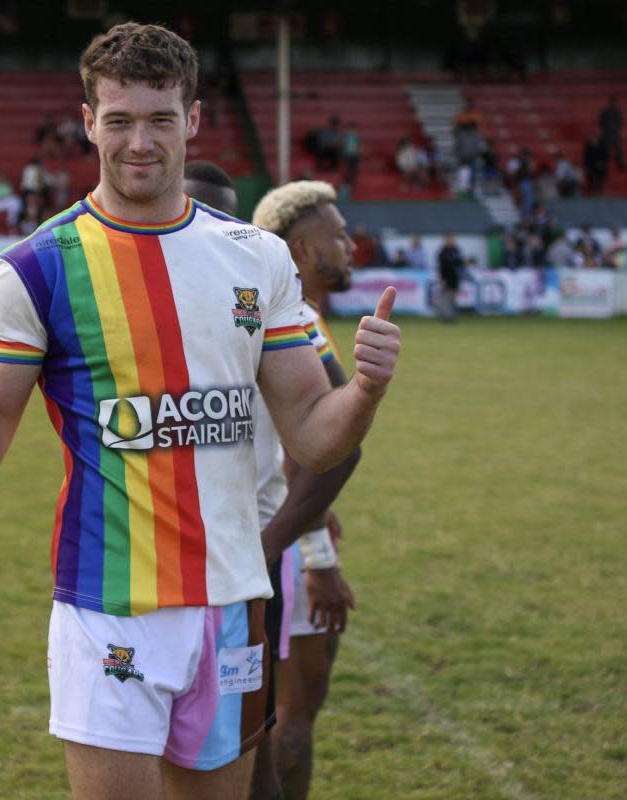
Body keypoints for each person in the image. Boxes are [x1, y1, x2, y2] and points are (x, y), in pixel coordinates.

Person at [0, 22, 401, 800]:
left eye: (160, 119)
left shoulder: (257, 257)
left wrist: (364, 392)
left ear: (193, 120)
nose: (140, 142)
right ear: (88, 122)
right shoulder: (36, 268)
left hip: (235, 601)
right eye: (120, 120)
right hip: (111, 611)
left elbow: (312, 434)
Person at [249, 180, 363, 800]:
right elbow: (314, 454)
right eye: (337, 235)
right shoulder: (298, 321)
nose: (349, 246)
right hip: (281, 540)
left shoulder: (268, 313)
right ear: (299, 249)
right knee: (289, 716)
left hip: (267, 530)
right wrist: (317, 556)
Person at [436, 233, 464, 321]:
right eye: (451, 239)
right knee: (445, 298)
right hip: (446, 278)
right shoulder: (442, 252)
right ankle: (444, 316)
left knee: (453, 298)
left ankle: (451, 316)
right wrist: (442, 278)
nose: (452, 241)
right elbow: (441, 267)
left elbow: (459, 262)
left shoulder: (456, 251)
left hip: (454, 278)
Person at [598, 95, 626, 172]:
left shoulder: (618, 112)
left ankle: (620, 163)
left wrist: (615, 126)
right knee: (605, 150)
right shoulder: (605, 111)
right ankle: (604, 164)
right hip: (607, 133)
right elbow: (601, 122)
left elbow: (621, 122)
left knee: (618, 149)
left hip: (614, 133)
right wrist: (608, 125)